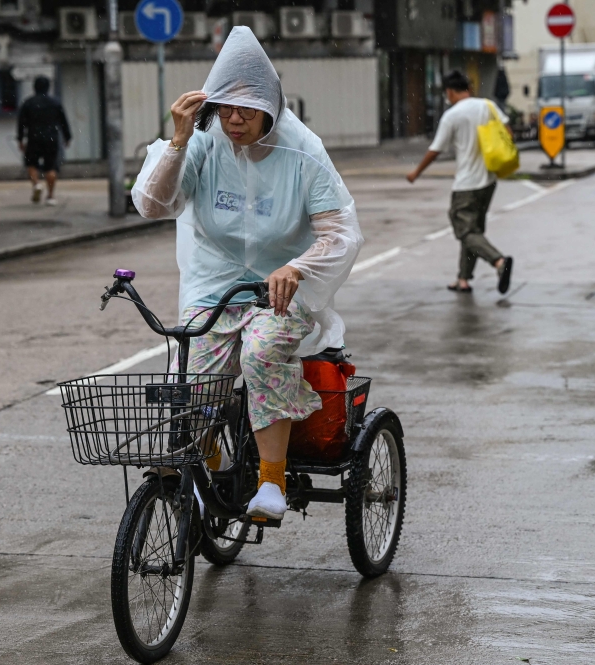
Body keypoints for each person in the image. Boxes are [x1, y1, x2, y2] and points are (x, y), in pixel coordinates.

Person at [131, 27, 363, 520]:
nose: (234, 119)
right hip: (213, 286)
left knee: (261, 355)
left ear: (270, 108)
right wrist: (178, 140)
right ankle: (208, 471)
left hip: (281, 290)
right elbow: (153, 204)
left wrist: (297, 267)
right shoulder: (203, 141)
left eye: (248, 109)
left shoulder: (303, 150)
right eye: (225, 108)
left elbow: (340, 233)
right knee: (191, 380)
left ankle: (271, 481)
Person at [407, 70, 514, 295]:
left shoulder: (452, 115)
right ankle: (463, 279)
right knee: (473, 231)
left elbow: (435, 149)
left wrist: (416, 172)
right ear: (469, 88)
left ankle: (498, 261)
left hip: (466, 184)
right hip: (489, 181)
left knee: (465, 232)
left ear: (449, 91)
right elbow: (508, 135)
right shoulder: (488, 106)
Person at [17, 76, 71, 206]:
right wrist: (67, 137)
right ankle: (51, 196)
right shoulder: (55, 102)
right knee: (51, 167)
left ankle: (36, 184)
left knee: (31, 164)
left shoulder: (28, 103)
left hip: (33, 137)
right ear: (48, 87)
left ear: (34, 87)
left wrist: (20, 139)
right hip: (51, 138)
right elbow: (63, 121)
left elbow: (21, 123)